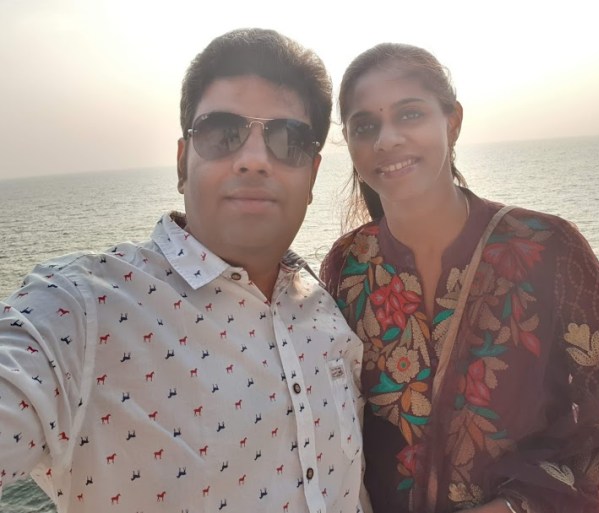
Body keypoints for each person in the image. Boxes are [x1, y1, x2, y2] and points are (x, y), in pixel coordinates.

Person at [0, 28, 368, 513]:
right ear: (181, 163)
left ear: (313, 175)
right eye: (223, 133)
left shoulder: (327, 309)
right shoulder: (83, 310)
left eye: (288, 140)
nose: (254, 160)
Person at [320, 42, 599, 513]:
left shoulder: (547, 247)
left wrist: (513, 507)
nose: (386, 140)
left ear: (452, 122)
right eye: (365, 126)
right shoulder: (349, 265)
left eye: (409, 114)